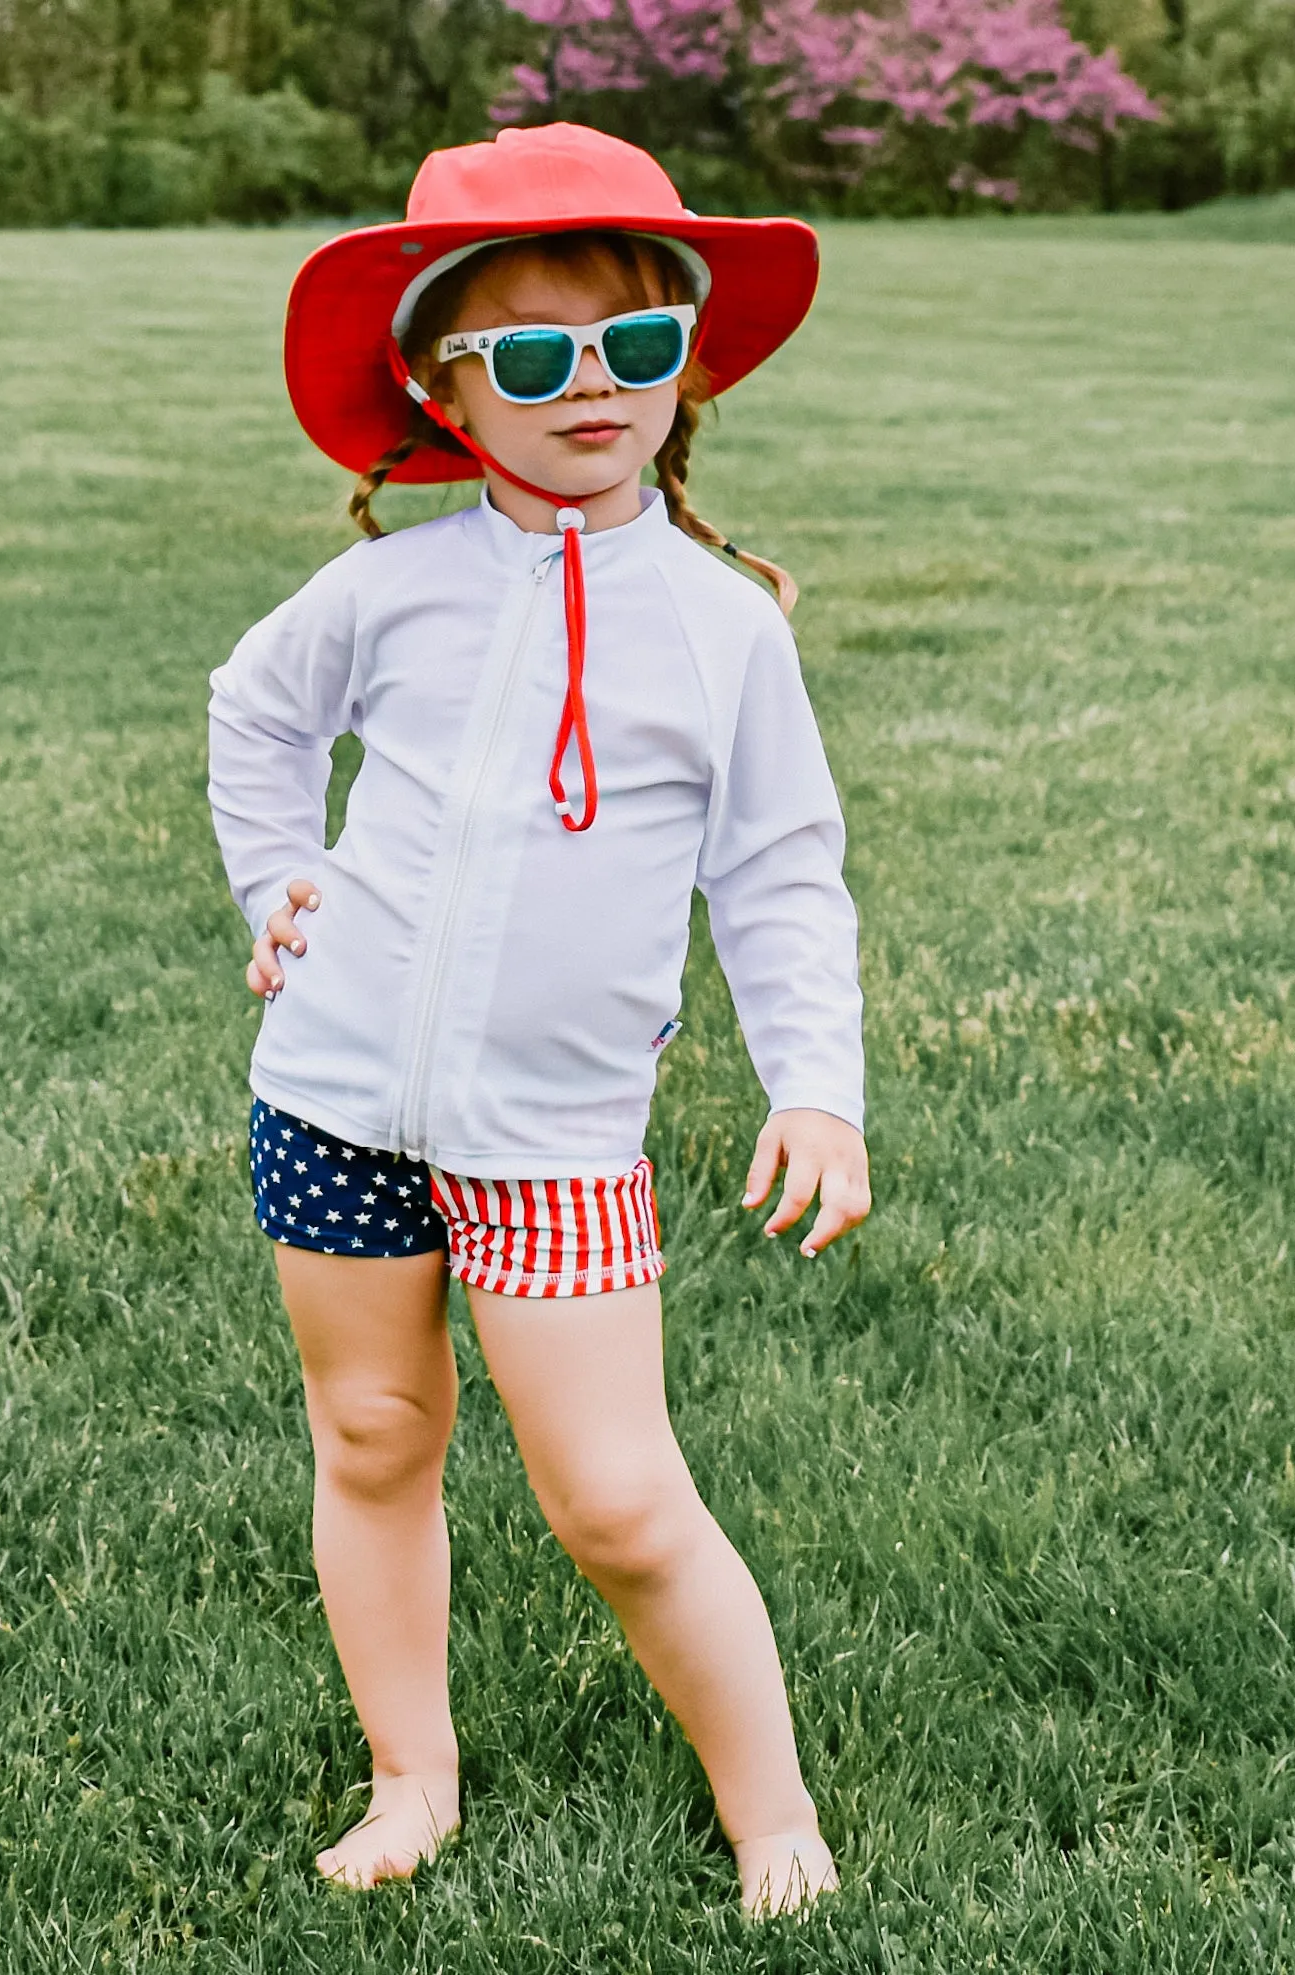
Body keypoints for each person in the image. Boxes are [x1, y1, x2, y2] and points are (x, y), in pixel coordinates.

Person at [207, 122, 869, 1919]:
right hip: (331, 1098)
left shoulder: (726, 632)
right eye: (531, 354)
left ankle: (772, 1809)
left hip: (556, 1143)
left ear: (689, 368)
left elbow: (785, 873)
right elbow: (252, 718)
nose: (591, 386)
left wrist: (818, 1082)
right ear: (445, 387)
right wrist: (281, 887)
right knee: (369, 1432)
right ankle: (411, 1770)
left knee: (619, 1502)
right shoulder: (390, 589)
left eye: (635, 346)